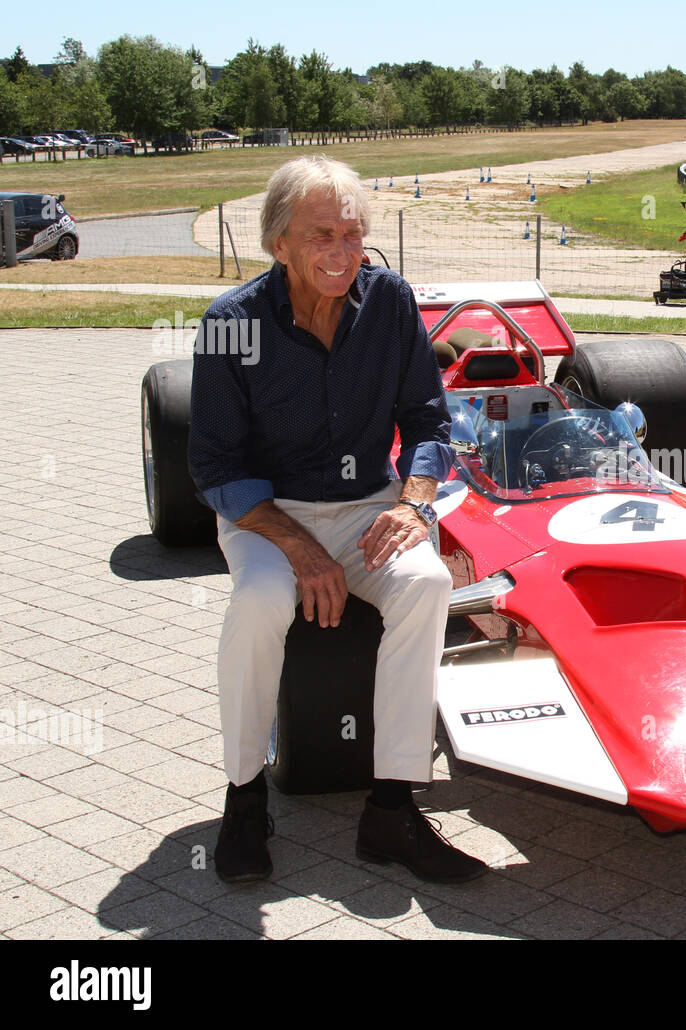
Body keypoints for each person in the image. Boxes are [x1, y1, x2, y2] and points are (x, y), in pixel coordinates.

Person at [189, 155, 488, 883]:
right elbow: (216, 467)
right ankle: (245, 798)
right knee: (260, 599)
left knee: (424, 586)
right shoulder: (231, 324)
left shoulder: (389, 302)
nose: (341, 252)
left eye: (353, 234)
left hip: (368, 508)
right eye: (321, 234)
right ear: (278, 242)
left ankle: (391, 809)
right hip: (268, 513)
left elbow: (426, 420)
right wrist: (298, 548)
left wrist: (415, 504)